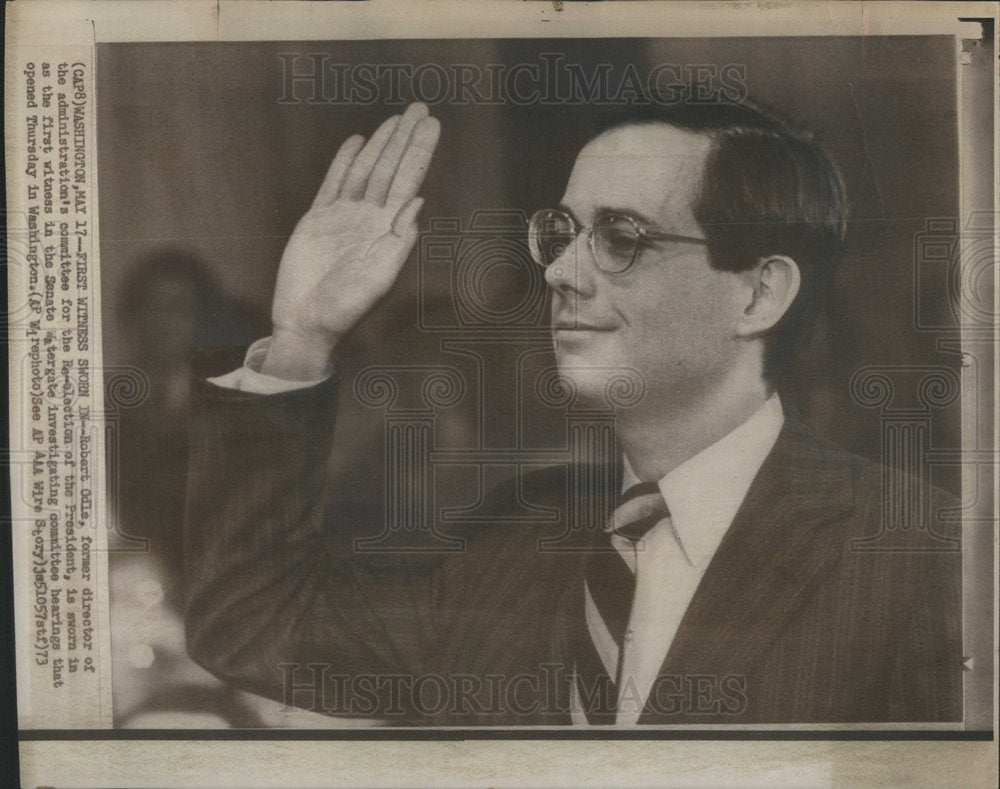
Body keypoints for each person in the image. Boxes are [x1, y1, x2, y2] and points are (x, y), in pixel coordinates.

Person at [183, 101, 962, 725]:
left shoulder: (925, 558)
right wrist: (302, 337)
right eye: (562, 233)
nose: (561, 270)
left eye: (621, 237)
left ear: (758, 293)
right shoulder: (521, 538)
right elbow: (252, 624)